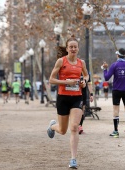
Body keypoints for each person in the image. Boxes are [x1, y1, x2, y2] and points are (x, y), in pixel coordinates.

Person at [47, 35, 89, 169]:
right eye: (70, 47)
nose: (73, 49)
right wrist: (65, 82)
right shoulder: (61, 61)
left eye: (75, 47)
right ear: (67, 48)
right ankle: (53, 126)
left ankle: (73, 159)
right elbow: (51, 80)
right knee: (63, 130)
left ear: (78, 49)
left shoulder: (81, 63)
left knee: (75, 127)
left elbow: (86, 75)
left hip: (77, 97)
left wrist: (84, 81)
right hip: (63, 98)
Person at [101, 48, 125, 138]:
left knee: (116, 110)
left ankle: (116, 132)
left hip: (116, 90)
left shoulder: (114, 65)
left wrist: (105, 69)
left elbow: (107, 78)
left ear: (117, 55)